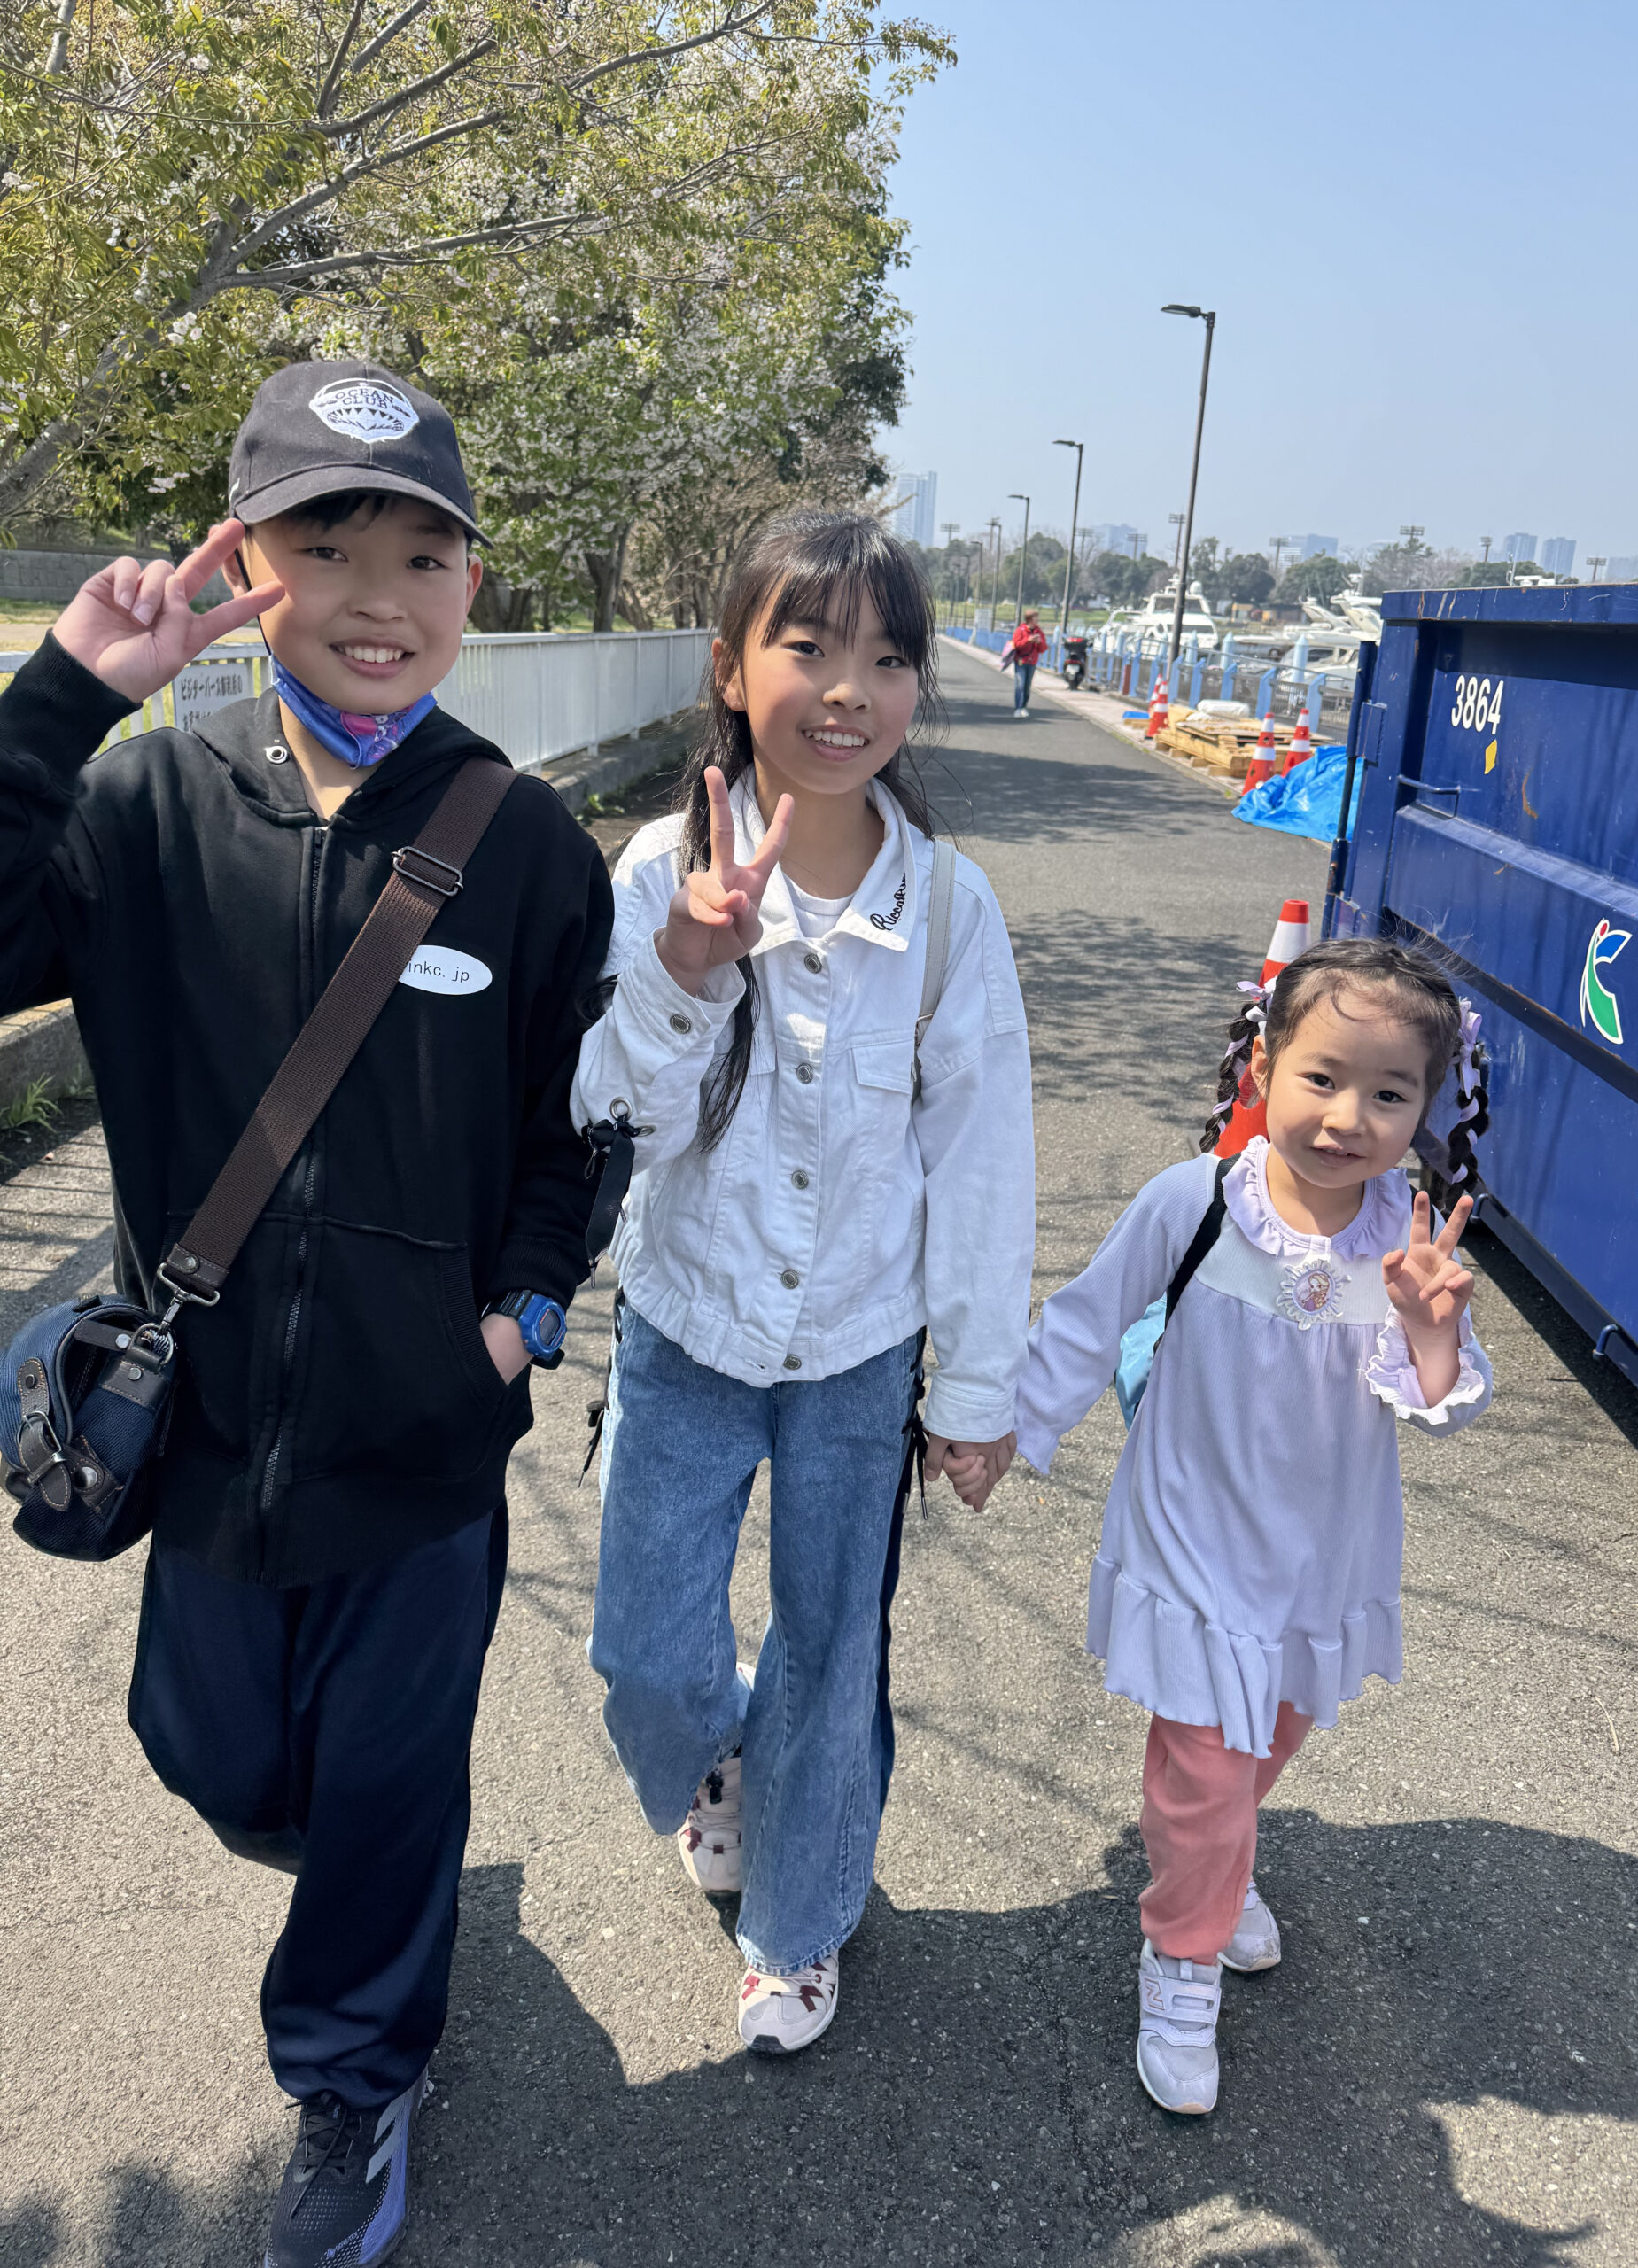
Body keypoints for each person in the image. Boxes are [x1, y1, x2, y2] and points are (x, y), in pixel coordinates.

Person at [0, 362, 613, 2264]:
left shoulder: (527, 845)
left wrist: (518, 1318)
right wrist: (64, 696)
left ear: (472, 583)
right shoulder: (145, 807)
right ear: (246, 563)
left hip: (423, 1446)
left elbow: (576, 1126)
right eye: (324, 544)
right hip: (197, 1434)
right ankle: (358, 1868)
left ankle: (354, 2074)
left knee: (386, 1780)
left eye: (421, 553)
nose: (375, 593)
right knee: (213, 1754)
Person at [572, 509, 1034, 2054]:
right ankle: (723, 1762)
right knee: (648, 1653)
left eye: (889, 659)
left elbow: (981, 1161)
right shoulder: (658, 871)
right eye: (810, 646)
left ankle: (798, 1922)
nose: (849, 689)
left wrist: (976, 1390)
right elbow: (605, 1113)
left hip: (856, 1350)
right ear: (730, 667)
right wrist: (687, 967)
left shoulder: (950, 907)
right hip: (687, 1326)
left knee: (833, 1654)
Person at [1013, 938, 1494, 2116]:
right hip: (1193, 1539)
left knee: (1260, 1744)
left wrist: (1432, 1331)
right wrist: (992, 1433)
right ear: (1265, 1065)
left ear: (1425, 1109)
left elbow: (1436, 1404)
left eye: (1389, 1094)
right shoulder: (1195, 1203)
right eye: (1323, 1077)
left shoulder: (1405, 1240)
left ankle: (1213, 1866)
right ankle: (1182, 1950)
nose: (1349, 1117)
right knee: (1208, 1771)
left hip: (1319, 1559)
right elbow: (1085, 1322)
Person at [1003, 608, 1047, 716]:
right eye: (1036, 617)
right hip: (1021, 661)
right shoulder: (1020, 630)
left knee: (1027, 687)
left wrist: (1039, 642)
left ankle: (1024, 707)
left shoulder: (1038, 632)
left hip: (1032, 662)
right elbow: (1016, 644)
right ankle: (1018, 708)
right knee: (1020, 685)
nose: (1037, 619)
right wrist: (1028, 640)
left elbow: (1043, 649)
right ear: (1030, 619)